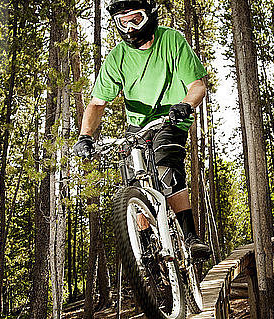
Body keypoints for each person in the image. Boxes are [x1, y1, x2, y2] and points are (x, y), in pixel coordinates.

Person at [73, 0, 211, 260]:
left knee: (165, 165)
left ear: (150, 16)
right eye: (122, 21)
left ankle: (189, 235)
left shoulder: (171, 40)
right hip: (138, 125)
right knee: (134, 181)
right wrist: (85, 136)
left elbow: (198, 86)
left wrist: (185, 104)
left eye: (135, 18)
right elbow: (97, 103)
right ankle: (148, 249)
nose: (129, 26)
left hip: (172, 117)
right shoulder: (117, 57)